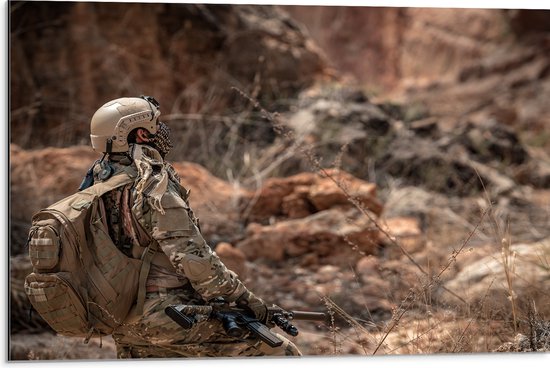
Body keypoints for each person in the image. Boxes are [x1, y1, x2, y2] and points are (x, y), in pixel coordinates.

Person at [86, 96, 301, 358]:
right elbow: (194, 259)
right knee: (281, 354)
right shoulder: (153, 189)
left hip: (118, 318)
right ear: (141, 133)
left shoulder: (93, 190)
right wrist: (249, 301)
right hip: (168, 317)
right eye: (157, 124)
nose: (163, 131)